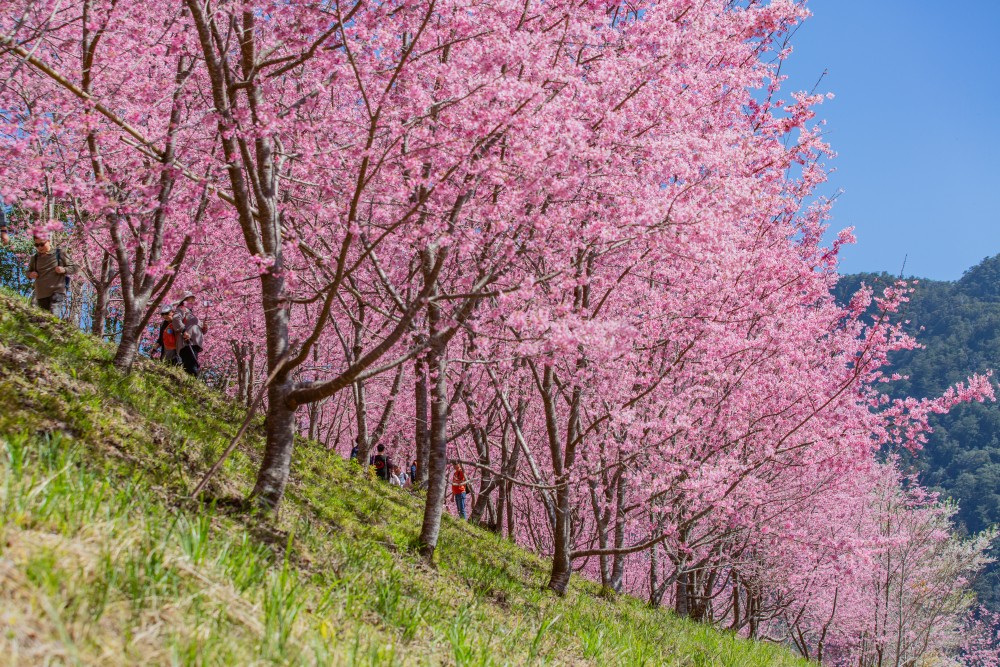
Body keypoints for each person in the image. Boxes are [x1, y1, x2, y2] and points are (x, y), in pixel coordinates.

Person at [26, 233, 78, 313]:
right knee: (44, 319)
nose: (39, 247)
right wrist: (30, 274)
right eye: (37, 245)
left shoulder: (60, 253)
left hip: (57, 291)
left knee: (54, 314)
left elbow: (75, 268)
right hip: (41, 294)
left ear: (49, 241)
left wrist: (64, 269)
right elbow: (28, 272)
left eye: (42, 244)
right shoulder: (35, 258)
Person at [172, 291, 204, 376]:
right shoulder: (181, 309)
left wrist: (204, 328)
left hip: (194, 343)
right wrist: (184, 331)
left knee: (193, 363)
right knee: (191, 365)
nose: (193, 300)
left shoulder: (191, 313)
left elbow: (200, 328)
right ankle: (191, 384)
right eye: (191, 298)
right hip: (186, 342)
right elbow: (176, 319)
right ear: (185, 299)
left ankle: (190, 384)